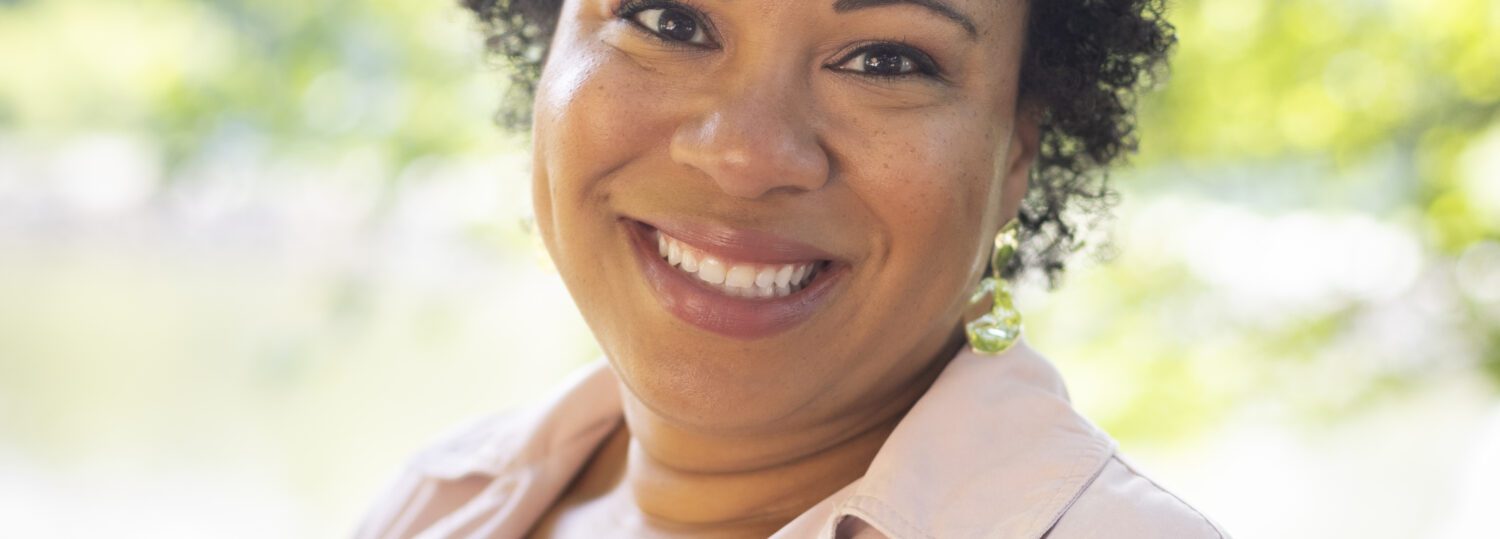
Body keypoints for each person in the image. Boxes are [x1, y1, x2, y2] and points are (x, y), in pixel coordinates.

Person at [359, 0, 1229, 536]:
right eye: (669, 20)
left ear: (1016, 158)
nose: (745, 153)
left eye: (887, 60)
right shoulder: (440, 499)